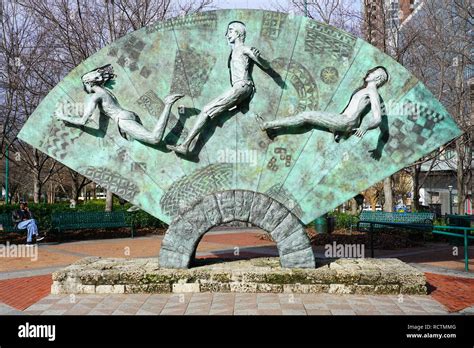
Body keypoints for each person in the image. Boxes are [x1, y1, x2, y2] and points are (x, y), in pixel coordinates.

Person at [167, 21, 270, 155]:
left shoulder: (244, 49)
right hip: (241, 89)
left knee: (206, 110)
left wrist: (258, 56)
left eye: (230, 31)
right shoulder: (234, 51)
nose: (227, 34)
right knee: (213, 114)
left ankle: (185, 145)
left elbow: (265, 65)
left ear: (238, 33)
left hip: (242, 87)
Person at [55, 64, 184, 145]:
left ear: (89, 83)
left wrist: (63, 117)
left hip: (122, 120)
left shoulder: (96, 96)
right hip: (128, 115)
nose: (85, 88)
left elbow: (83, 121)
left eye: (84, 85)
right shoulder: (106, 92)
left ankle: (168, 104)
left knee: (154, 139)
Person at [257, 66, 389, 142]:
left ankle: (269, 125)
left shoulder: (373, 92)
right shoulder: (366, 90)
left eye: (373, 73)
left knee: (306, 116)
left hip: (345, 122)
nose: (369, 73)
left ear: (378, 78)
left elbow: (377, 118)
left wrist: (364, 128)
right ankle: (274, 131)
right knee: (308, 120)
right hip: (343, 121)